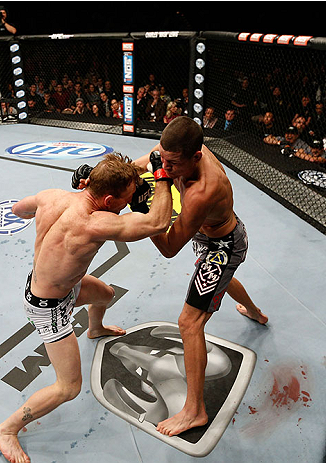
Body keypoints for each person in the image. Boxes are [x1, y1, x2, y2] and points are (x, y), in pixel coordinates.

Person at [0, 152, 173, 463]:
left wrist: (152, 160)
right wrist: (162, 177)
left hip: (59, 283)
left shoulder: (54, 197)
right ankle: (6, 429)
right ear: (107, 199)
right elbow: (158, 222)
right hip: (48, 306)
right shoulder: (95, 223)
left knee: (105, 293)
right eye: (127, 199)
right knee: (68, 387)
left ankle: (95, 328)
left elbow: (18, 210)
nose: (131, 202)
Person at [130, 117, 268, 437]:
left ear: (195, 157)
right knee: (219, 282)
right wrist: (98, 175)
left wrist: (143, 208)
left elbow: (168, 247)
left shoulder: (202, 191)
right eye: (164, 159)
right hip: (209, 237)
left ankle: (195, 410)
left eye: (173, 163)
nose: (165, 166)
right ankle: (255, 312)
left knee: (189, 323)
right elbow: (147, 161)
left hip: (224, 246)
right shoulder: (179, 150)